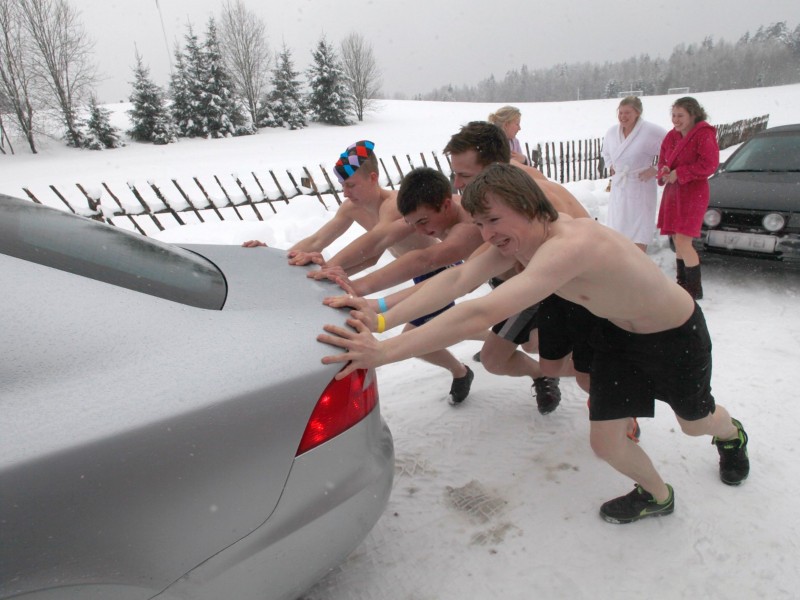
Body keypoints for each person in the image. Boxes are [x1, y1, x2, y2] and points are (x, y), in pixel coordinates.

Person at [319, 162, 749, 524]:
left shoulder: (571, 245)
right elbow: (456, 279)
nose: (487, 234)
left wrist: (384, 352)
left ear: (527, 207)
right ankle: (658, 496)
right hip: (618, 338)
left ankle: (731, 436)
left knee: (695, 423)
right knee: (606, 444)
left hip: (675, 336)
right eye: (480, 222)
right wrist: (379, 318)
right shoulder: (521, 239)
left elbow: (480, 311)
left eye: (493, 220)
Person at [244, 141, 474, 404]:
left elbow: (375, 248)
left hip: (438, 270)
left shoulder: (394, 205)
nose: (345, 192)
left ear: (373, 178)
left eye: (351, 185)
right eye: (342, 186)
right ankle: (491, 343)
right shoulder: (351, 209)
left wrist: (336, 273)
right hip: (416, 271)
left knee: (417, 340)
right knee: (447, 327)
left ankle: (463, 370)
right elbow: (317, 240)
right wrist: (278, 258)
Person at [444, 121, 590, 415]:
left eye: (464, 175)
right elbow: (467, 271)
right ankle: (544, 374)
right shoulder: (501, 192)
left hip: (577, 293)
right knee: (496, 359)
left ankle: (614, 386)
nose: (457, 185)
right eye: (454, 174)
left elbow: (460, 271)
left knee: (554, 354)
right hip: (536, 288)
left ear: (495, 169)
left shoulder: (533, 200)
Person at [657, 97, 720, 300]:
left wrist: (682, 173)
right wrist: (665, 170)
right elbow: (663, 161)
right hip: (674, 192)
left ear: (693, 115)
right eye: (673, 115)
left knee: (684, 240)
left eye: (680, 116)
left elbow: (709, 164)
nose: (676, 120)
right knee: (677, 238)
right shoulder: (671, 137)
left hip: (694, 192)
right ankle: (682, 283)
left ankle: (693, 289)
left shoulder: (704, 135)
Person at [602, 96, 667, 252]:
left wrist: (656, 169)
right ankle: (620, 264)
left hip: (640, 184)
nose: (623, 117)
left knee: (638, 228)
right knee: (617, 227)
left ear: (637, 113)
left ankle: (639, 264)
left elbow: (672, 150)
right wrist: (610, 165)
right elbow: (605, 152)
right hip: (620, 185)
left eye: (628, 113)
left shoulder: (650, 131)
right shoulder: (612, 132)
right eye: (621, 112)